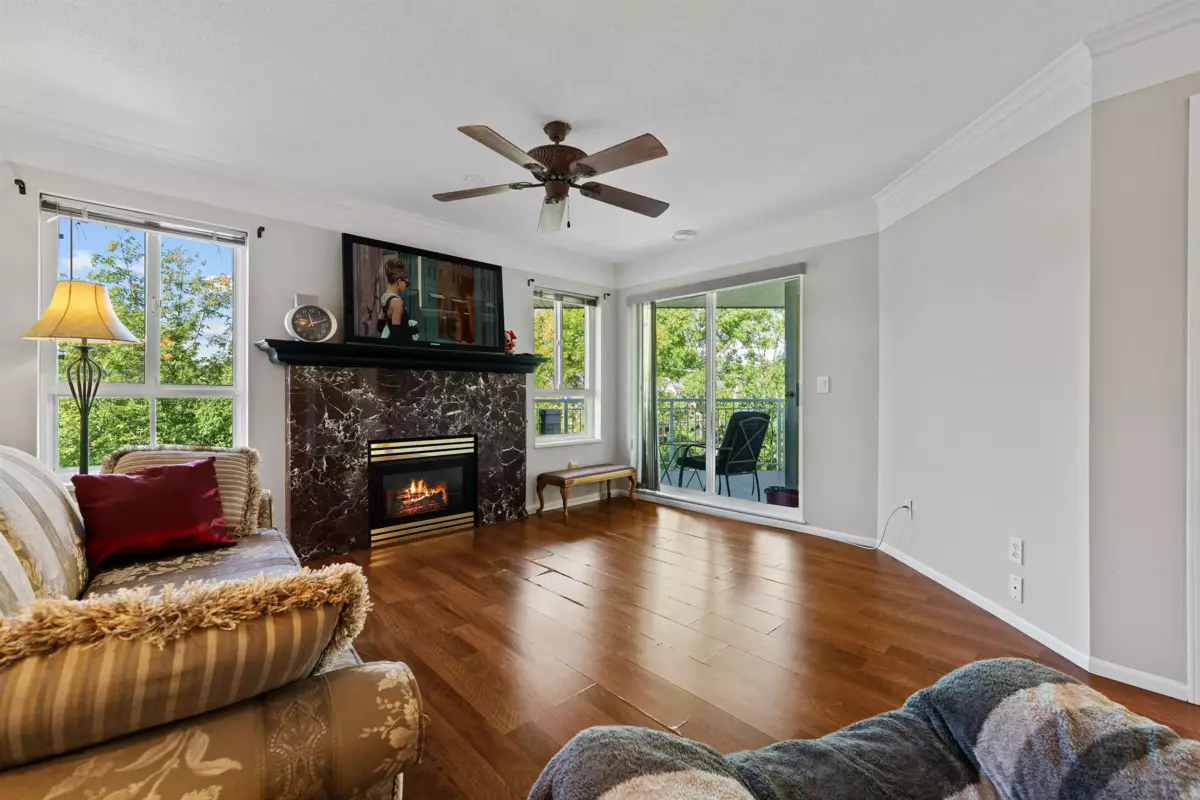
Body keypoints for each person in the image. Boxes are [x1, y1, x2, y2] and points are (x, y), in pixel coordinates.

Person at [378, 259, 416, 341]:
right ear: (399, 281)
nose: (406, 286)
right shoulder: (397, 302)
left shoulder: (384, 297)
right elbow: (397, 335)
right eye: (407, 283)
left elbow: (380, 326)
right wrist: (411, 330)